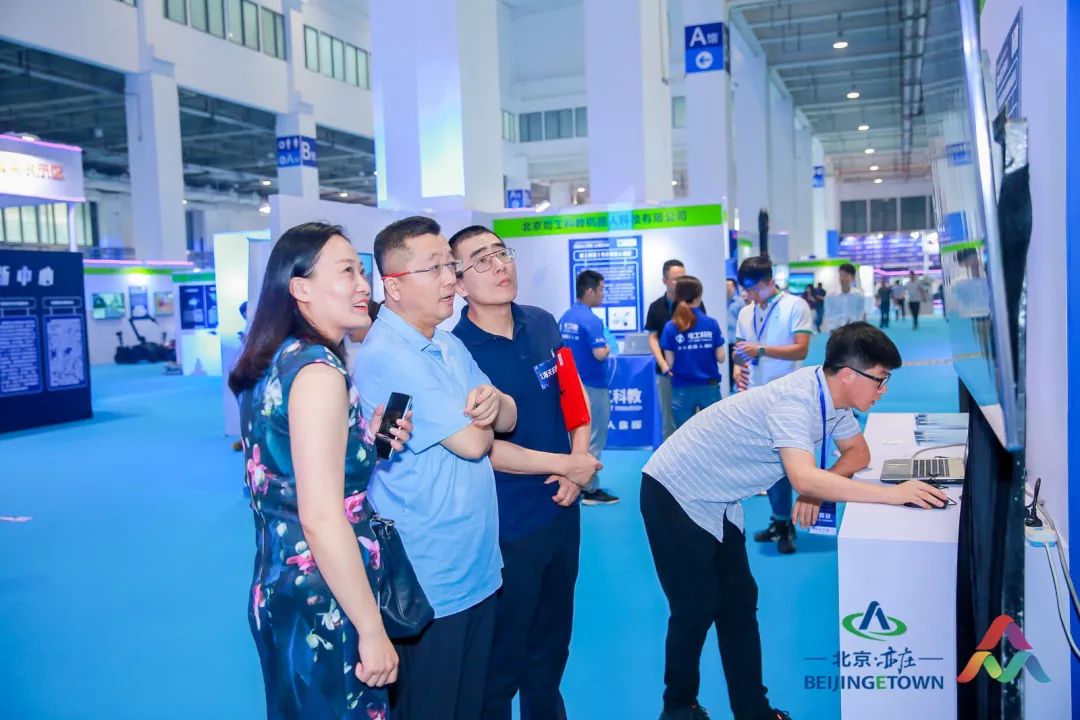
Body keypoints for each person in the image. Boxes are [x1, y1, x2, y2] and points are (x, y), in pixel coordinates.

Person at [640, 322, 948, 720]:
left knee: (738, 603)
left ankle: (753, 711)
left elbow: (858, 453)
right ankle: (678, 708)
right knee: (694, 606)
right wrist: (891, 494)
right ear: (849, 374)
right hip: (675, 490)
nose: (883, 390)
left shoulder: (831, 399)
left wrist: (818, 488)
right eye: (880, 379)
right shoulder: (795, 402)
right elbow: (802, 477)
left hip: (718, 498)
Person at [230, 222, 414, 719]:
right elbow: (321, 516)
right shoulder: (318, 373)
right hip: (327, 597)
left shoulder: (277, 362)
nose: (363, 285)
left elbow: (292, 474)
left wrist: (366, 441)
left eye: (362, 271)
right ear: (301, 289)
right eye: (347, 271)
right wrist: (371, 629)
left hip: (282, 584)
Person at [355, 216, 519, 720]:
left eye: (451, 265)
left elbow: (508, 414)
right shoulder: (388, 355)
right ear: (394, 286)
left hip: (476, 566)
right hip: (429, 581)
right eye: (436, 268)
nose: (452, 278)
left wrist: (491, 409)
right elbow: (474, 443)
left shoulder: (447, 343)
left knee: (472, 705)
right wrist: (486, 414)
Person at [449, 225, 600, 720]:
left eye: (502, 253)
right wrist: (567, 465)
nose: (499, 266)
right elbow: (484, 448)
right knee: (503, 661)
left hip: (563, 509)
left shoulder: (542, 322)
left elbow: (572, 396)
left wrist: (577, 465)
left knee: (552, 650)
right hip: (507, 523)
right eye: (482, 260)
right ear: (458, 282)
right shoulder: (457, 352)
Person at [732, 256, 812, 555]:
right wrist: (738, 365)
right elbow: (740, 352)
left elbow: (801, 349)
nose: (750, 295)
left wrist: (761, 350)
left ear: (769, 282)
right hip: (755, 398)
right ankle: (779, 520)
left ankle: (786, 524)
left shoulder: (795, 306)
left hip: (788, 397)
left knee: (787, 465)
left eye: (754, 289)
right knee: (768, 465)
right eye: (747, 290)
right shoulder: (746, 312)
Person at [559, 270, 620, 506]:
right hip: (592, 386)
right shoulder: (592, 320)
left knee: (574, 438)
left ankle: (574, 483)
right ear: (590, 291)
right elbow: (599, 353)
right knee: (594, 437)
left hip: (570, 386)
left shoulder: (566, 317)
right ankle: (589, 488)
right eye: (601, 289)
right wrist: (608, 347)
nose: (603, 294)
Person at [646, 260, 707, 439]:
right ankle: (669, 457)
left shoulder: (696, 305)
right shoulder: (656, 307)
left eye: (683, 277)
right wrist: (664, 365)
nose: (681, 282)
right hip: (667, 374)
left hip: (693, 375)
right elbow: (653, 338)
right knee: (669, 422)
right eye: (676, 279)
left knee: (695, 422)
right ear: (664, 281)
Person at [660, 276, 726, 429]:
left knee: (684, 435)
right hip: (709, 388)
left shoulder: (671, 327)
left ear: (677, 296)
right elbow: (721, 357)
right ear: (699, 296)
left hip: (682, 389)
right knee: (714, 433)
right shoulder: (711, 323)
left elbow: (670, 363)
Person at [824, 263, 866, 331]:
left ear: (853, 277)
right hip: (835, 330)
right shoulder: (830, 296)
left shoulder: (859, 296)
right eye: (841, 275)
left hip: (853, 330)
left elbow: (859, 315)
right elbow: (828, 314)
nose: (842, 278)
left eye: (846, 275)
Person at [726, 279, 746, 391]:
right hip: (726, 342)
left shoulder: (740, 302)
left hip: (736, 341)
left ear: (734, 287)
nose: (726, 287)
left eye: (729, 285)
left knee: (736, 367)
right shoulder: (722, 301)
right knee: (727, 369)